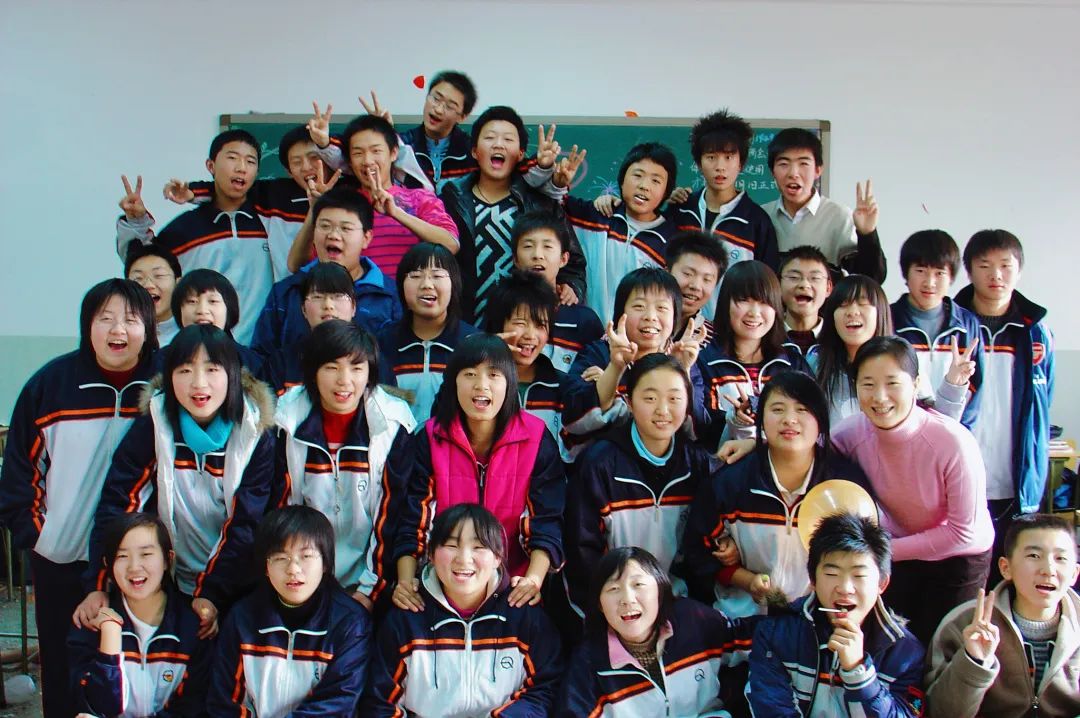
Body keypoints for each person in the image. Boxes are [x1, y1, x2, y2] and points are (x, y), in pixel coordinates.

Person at [0, 278, 157, 718]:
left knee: (136, 666)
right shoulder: (50, 386)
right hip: (62, 557)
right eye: (104, 318)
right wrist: (39, 537)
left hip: (141, 561)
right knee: (62, 665)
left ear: (148, 327)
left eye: (130, 319)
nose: (117, 329)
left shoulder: (164, 384)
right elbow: (19, 474)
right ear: (87, 326)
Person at [78, 324, 276, 644]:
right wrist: (98, 584)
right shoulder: (155, 424)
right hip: (167, 579)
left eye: (212, 369)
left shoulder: (255, 433)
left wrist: (211, 593)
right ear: (169, 377)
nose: (198, 383)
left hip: (236, 582)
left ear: (232, 375)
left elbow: (247, 523)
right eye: (184, 370)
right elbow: (119, 502)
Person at [835, 336, 994, 644]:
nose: (880, 397)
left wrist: (880, 550)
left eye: (892, 383)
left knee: (944, 649)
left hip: (958, 556)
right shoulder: (850, 434)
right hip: (898, 550)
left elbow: (963, 533)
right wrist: (752, 441)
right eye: (868, 384)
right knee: (893, 644)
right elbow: (805, 450)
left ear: (916, 384)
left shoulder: (953, 442)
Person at [392, 334, 566, 614]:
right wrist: (406, 581)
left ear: (510, 383)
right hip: (442, 584)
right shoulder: (430, 438)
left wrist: (532, 581)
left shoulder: (536, 438)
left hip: (514, 586)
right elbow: (413, 519)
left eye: (494, 375)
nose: (481, 385)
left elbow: (546, 521)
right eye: (470, 374)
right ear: (453, 382)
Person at [683, 371, 870, 621]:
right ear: (761, 420)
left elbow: (865, 556)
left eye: (802, 409)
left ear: (821, 420)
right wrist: (746, 580)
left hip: (818, 623)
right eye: (778, 409)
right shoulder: (730, 483)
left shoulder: (844, 485)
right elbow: (699, 550)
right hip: (745, 621)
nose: (789, 419)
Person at [365, 503, 563, 715]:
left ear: (498, 557)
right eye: (451, 545)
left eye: (478, 547)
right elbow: (380, 701)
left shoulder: (523, 615)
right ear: (430, 553)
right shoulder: (405, 620)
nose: (464, 558)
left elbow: (544, 689)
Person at [273, 319, 415, 610]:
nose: (344, 380)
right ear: (313, 372)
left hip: (371, 581)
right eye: (331, 367)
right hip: (302, 579)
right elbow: (281, 509)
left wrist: (369, 591)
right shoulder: (285, 420)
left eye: (356, 368)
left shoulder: (392, 425)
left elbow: (393, 515)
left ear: (370, 372)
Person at [566, 354, 719, 609]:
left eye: (674, 398)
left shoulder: (696, 464)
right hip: (616, 604)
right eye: (650, 398)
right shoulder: (599, 465)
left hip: (678, 601)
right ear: (629, 402)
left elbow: (700, 550)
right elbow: (583, 551)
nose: (663, 410)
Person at [747, 513, 925, 716]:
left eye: (859, 575)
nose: (845, 588)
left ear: (882, 584)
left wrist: (858, 673)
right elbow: (771, 709)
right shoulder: (776, 634)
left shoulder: (906, 654)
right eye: (832, 574)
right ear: (813, 580)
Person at [955, 229, 1054, 586]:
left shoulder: (1037, 334)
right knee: (965, 582)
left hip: (1016, 482)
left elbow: (1042, 407)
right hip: (961, 478)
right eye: (985, 266)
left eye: (1005, 266)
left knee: (1013, 582)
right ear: (969, 271)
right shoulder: (952, 327)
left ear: (1019, 270)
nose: (996, 275)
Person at [208, 505, 372, 715]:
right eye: (280, 558)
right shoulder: (242, 618)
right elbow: (224, 702)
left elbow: (336, 704)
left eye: (306, 556)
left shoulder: (350, 623)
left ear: (325, 563)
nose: (293, 569)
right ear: (266, 567)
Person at [115, 131, 274, 343]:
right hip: (201, 348)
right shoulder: (184, 230)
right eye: (232, 158)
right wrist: (136, 221)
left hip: (262, 349)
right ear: (211, 166)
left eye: (250, 161)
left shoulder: (273, 222)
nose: (241, 168)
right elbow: (142, 262)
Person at [560, 546, 755, 717]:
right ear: (600, 605)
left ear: (660, 591)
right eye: (613, 589)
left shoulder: (692, 621)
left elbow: (755, 636)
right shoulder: (589, 665)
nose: (627, 599)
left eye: (638, 585)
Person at [440, 106, 587, 321]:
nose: (498, 144)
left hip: (525, 325)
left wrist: (572, 286)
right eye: (490, 138)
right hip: (465, 324)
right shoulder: (452, 198)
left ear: (520, 154)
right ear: (474, 151)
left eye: (508, 139)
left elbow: (573, 261)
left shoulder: (540, 202)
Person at [926, 513, 1080, 717]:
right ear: (1006, 568)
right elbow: (939, 713)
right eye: (1034, 556)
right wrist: (974, 661)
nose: (1048, 570)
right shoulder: (963, 623)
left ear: (1074, 574)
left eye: (1060, 558)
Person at [69, 513, 211, 717]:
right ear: (108, 564)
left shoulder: (192, 625)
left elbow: (192, 708)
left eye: (146, 554)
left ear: (168, 559)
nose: (134, 567)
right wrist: (110, 635)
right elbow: (98, 707)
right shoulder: (90, 622)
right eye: (122, 556)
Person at [161, 123, 339, 281]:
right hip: (288, 298)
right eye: (296, 162)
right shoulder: (276, 195)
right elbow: (232, 190)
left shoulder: (347, 195)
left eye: (314, 157)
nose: (306, 167)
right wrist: (192, 192)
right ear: (289, 171)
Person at [300, 112, 460, 279]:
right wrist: (315, 209)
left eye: (376, 151)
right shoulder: (341, 205)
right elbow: (298, 263)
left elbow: (451, 244)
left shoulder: (420, 198)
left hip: (408, 295)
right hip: (356, 295)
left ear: (393, 153)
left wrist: (396, 213)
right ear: (349, 161)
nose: (368, 160)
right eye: (358, 153)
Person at [563, 267, 708, 444]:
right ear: (620, 314)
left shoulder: (685, 360)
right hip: (604, 458)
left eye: (662, 308)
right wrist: (614, 369)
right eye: (639, 306)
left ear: (675, 317)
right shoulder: (598, 354)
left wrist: (681, 371)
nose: (650, 316)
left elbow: (698, 432)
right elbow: (573, 419)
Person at [251, 187, 400, 356]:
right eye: (325, 226)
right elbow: (260, 357)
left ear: (366, 238)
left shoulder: (389, 296)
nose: (333, 235)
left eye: (345, 228)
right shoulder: (287, 292)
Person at [563, 142, 680, 324]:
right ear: (622, 180)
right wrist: (559, 183)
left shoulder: (671, 243)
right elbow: (548, 205)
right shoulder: (594, 216)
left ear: (667, 191)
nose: (644, 186)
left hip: (636, 338)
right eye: (637, 175)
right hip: (581, 332)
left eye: (656, 181)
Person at [700, 261, 808, 447]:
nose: (754, 313)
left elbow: (812, 419)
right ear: (725, 304)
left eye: (765, 302)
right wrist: (735, 420)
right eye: (744, 300)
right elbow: (700, 431)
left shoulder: (791, 361)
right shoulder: (705, 361)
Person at [760, 129, 885, 282]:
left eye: (803, 164)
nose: (793, 173)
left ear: (818, 170)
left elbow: (872, 277)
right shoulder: (761, 215)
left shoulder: (839, 216)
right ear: (772, 171)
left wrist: (867, 234)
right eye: (784, 164)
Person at [890, 229, 983, 428]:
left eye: (939, 273)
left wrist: (959, 434)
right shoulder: (889, 320)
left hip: (953, 432)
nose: (930, 282)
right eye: (920, 271)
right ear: (906, 273)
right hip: (902, 432)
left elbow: (976, 389)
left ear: (951, 277)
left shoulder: (967, 324)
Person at [667, 108, 779, 271]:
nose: (720, 167)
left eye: (728, 157)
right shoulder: (681, 211)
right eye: (711, 157)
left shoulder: (757, 222)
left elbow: (766, 281)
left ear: (741, 163)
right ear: (699, 163)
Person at [376, 243, 477, 422]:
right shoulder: (382, 343)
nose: (427, 284)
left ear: (454, 284)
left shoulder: (473, 344)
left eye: (437, 276)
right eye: (416, 276)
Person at [485, 268, 576, 461]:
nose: (530, 335)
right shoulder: (481, 383)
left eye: (540, 325)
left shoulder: (561, 387)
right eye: (520, 323)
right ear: (499, 325)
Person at [510, 210, 603, 371]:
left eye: (547, 246)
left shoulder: (584, 320)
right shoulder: (504, 309)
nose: (538, 255)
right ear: (515, 259)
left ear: (564, 259)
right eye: (528, 246)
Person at [811, 274, 894, 424]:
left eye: (863, 303)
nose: (852, 312)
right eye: (843, 305)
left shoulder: (900, 361)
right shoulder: (815, 363)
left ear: (880, 312)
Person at [168, 268, 264, 373]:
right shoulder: (162, 361)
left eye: (213, 301)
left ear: (229, 308)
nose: (202, 310)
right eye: (192, 301)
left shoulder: (252, 364)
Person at [398, 70, 480, 187]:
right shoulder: (403, 144)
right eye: (436, 99)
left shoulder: (471, 153)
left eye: (450, 106)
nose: (438, 110)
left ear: (462, 117)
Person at [665, 230, 729, 345]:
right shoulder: (640, 321)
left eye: (707, 279)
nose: (696, 286)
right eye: (688, 274)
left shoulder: (712, 340)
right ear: (667, 272)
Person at [778, 245, 832, 357]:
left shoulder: (838, 338)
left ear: (828, 288)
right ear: (778, 285)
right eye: (793, 277)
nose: (804, 284)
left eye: (815, 278)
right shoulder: (764, 336)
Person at [125, 242, 182, 345]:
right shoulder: (120, 336)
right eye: (138, 278)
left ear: (178, 283)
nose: (148, 285)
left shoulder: (194, 333)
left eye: (159, 275)